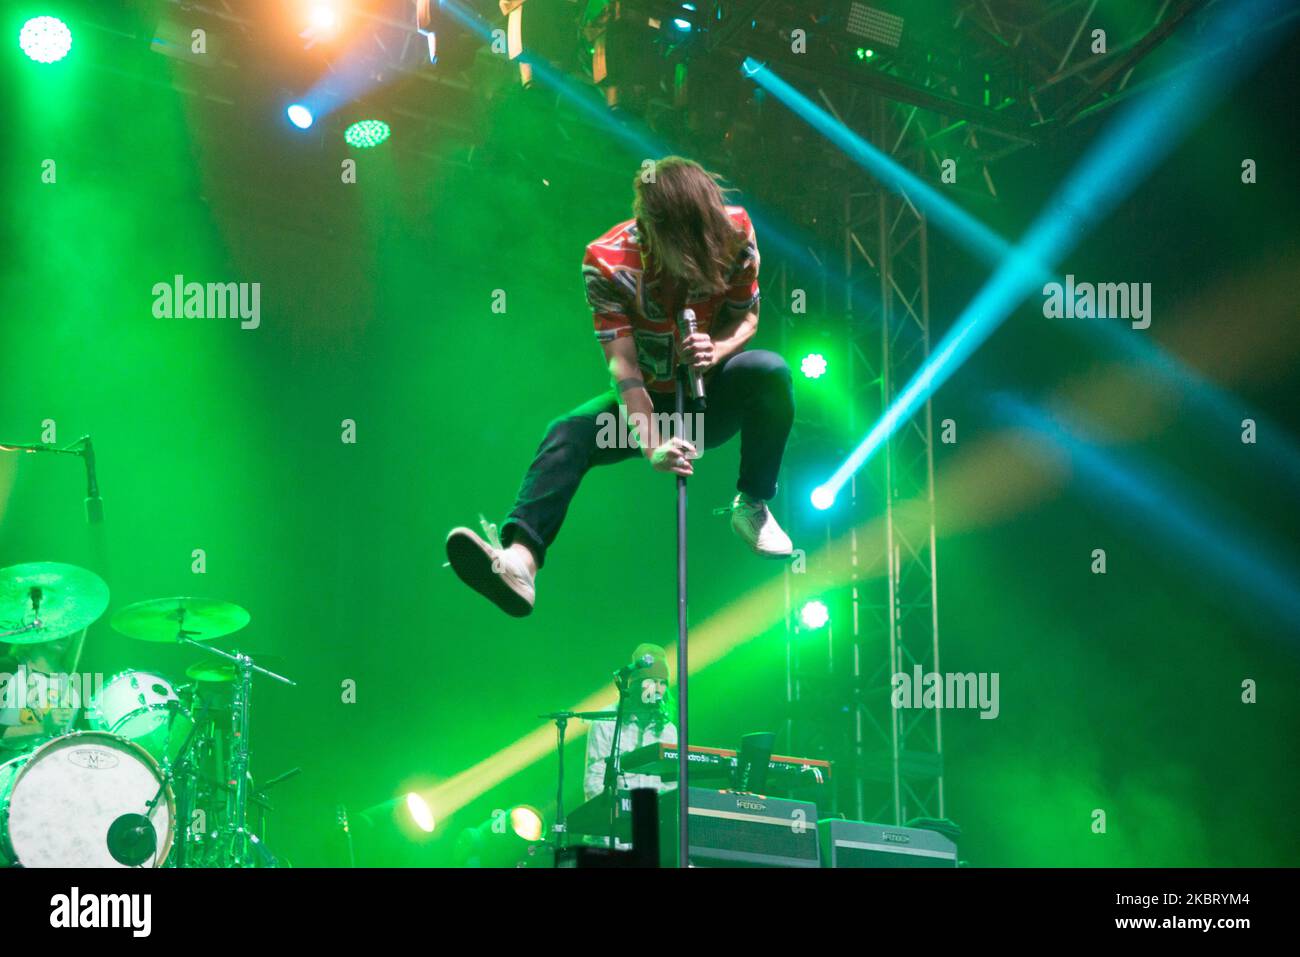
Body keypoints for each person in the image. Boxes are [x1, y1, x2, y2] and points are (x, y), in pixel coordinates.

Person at [446, 156, 795, 616]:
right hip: (648, 401)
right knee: (568, 432)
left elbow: (748, 317)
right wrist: (651, 445)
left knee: (770, 370)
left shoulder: (734, 234)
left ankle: (752, 504)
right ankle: (520, 562)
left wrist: (716, 347)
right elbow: (624, 368)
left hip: (709, 401)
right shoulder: (607, 262)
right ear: (652, 229)